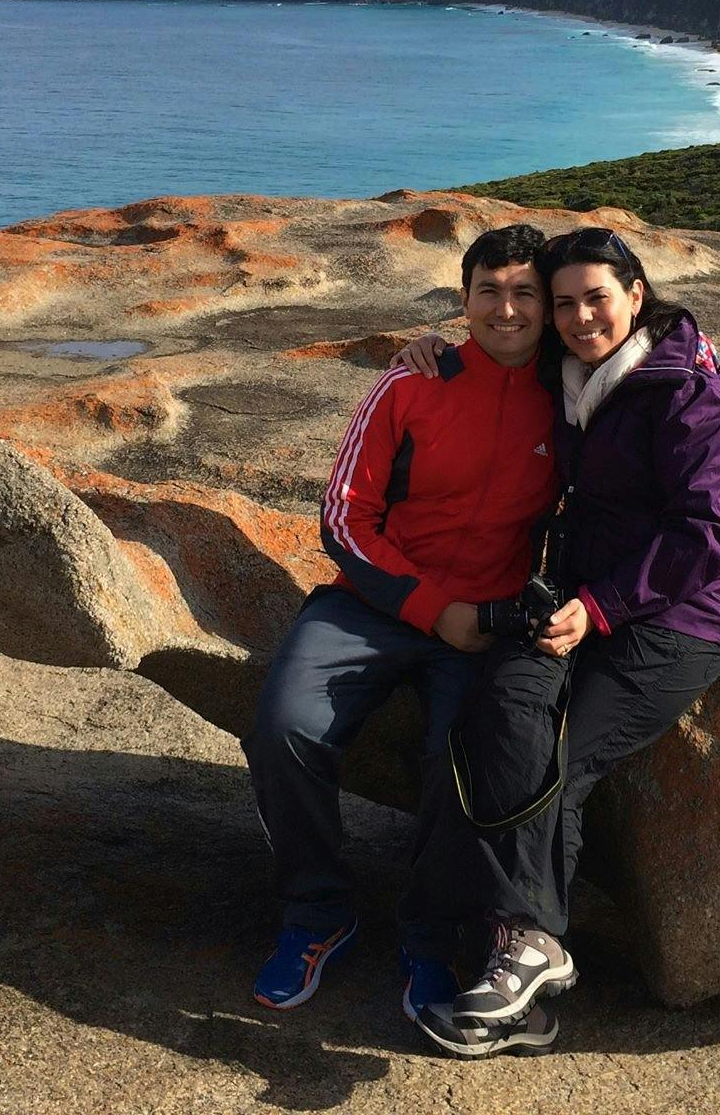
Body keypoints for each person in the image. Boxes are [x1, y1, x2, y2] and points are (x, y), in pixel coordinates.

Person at [395, 225, 720, 1058]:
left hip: (672, 618)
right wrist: (431, 350)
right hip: (567, 602)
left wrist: (602, 606)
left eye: (599, 297)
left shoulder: (689, 394)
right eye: (566, 303)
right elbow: (494, 344)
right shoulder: (570, 374)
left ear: (637, 293)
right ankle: (526, 977)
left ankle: (522, 947)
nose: (582, 316)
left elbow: (706, 535)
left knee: (564, 756)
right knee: (501, 713)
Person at [243, 223, 559, 1020]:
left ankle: (429, 934)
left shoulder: (572, 394)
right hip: (376, 604)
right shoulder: (411, 384)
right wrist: (428, 606)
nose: (508, 309)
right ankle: (318, 914)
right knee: (284, 725)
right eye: (489, 290)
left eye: (526, 292)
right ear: (464, 299)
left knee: (461, 765)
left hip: (491, 620)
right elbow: (343, 519)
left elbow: (664, 364)